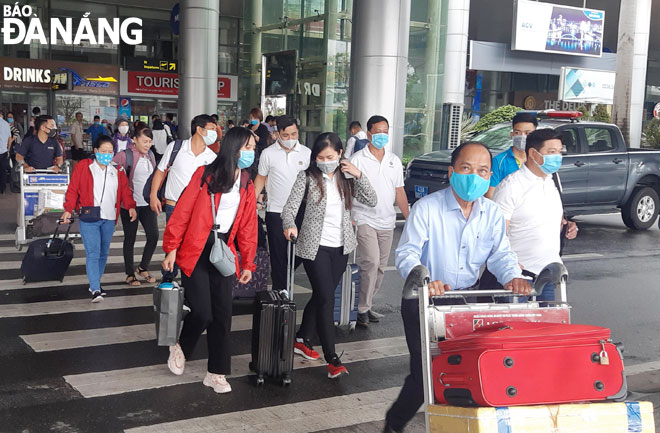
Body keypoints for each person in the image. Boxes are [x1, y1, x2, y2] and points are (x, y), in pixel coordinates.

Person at [383, 141, 531, 433]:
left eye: (482, 171)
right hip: (424, 298)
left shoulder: (490, 213)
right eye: (466, 168)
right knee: (425, 372)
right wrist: (425, 277)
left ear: (489, 177)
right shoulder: (427, 208)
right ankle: (395, 423)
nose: (474, 176)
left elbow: (500, 254)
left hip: (466, 300)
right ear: (452, 172)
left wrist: (513, 276)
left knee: (463, 369)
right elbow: (407, 252)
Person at [161, 127, 258, 394]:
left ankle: (215, 373)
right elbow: (182, 212)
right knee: (202, 311)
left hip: (223, 250)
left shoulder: (247, 181)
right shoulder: (205, 175)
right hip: (196, 248)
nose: (251, 152)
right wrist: (171, 248)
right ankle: (181, 345)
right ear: (234, 148)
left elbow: (248, 224)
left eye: (252, 148)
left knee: (223, 315)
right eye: (247, 147)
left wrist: (248, 262)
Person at [281, 132, 377, 379]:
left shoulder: (347, 178)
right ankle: (332, 358)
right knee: (326, 298)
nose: (325, 161)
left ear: (340, 154)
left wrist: (358, 174)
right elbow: (289, 208)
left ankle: (302, 338)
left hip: (341, 247)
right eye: (321, 157)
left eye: (330, 156)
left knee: (322, 295)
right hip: (315, 247)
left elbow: (372, 199)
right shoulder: (307, 177)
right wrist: (289, 224)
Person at [492, 129, 578, 302]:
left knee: (551, 327)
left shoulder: (551, 181)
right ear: (532, 153)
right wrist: (510, 270)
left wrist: (567, 225)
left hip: (550, 275)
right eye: (551, 152)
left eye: (560, 152)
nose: (557, 157)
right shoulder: (511, 186)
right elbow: (496, 234)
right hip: (519, 279)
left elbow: (545, 218)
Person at [350, 115, 409, 327]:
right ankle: (362, 309)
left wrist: (409, 217)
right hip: (364, 218)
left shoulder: (394, 160)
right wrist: (349, 216)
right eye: (378, 132)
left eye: (385, 131)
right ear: (369, 134)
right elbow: (348, 190)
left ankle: (365, 304)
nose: (382, 135)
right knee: (371, 263)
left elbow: (399, 191)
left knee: (381, 267)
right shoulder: (358, 159)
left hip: (387, 221)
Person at [62, 135, 137, 302]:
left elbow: (125, 190)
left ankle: (96, 282)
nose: (107, 155)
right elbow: (73, 189)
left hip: (109, 217)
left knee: (103, 253)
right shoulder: (84, 167)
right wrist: (68, 209)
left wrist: (131, 206)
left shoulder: (117, 170)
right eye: (103, 151)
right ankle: (95, 287)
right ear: (95, 151)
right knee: (93, 252)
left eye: (110, 152)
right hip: (90, 216)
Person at [150, 114, 218, 281]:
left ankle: (190, 287)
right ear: (199, 129)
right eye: (211, 129)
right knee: (172, 245)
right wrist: (153, 195)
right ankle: (168, 280)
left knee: (191, 248)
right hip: (174, 206)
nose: (215, 133)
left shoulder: (212, 157)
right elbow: (160, 171)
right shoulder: (176, 147)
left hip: (197, 210)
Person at [253, 116, 311, 295]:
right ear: (278, 134)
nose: (290, 138)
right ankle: (280, 293)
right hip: (276, 211)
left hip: (301, 210)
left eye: (294, 133)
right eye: (286, 135)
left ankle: (286, 276)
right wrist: (251, 203)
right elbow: (261, 178)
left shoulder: (307, 153)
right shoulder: (268, 153)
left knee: (301, 250)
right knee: (278, 255)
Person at [112, 126, 159, 287]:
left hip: (147, 204)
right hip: (130, 205)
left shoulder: (151, 155)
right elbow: (112, 175)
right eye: (145, 141)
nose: (147, 145)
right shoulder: (124, 156)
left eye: (150, 142)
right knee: (130, 238)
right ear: (135, 139)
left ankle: (143, 267)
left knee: (153, 236)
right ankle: (130, 274)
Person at [485, 112, 538, 199]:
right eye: (518, 132)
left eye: (527, 133)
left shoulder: (539, 161)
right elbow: (490, 195)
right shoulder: (498, 161)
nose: (522, 137)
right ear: (511, 134)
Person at [0, 112, 10, 194]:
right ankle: (2, 188)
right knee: (2, 170)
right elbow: (9, 138)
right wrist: (8, 149)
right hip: (3, 151)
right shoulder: (6, 124)